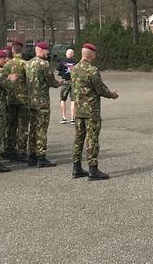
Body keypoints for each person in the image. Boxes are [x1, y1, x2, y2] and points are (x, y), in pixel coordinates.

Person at [71, 43, 120, 180]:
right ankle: (93, 170)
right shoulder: (92, 70)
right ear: (91, 54)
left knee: (79, 138)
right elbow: (100, 89)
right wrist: (112, 95)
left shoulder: (74, 69)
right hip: (91, 111)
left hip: (79, 110)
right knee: (92, 140)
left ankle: (76, 167)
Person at [25, 41, 60, 166]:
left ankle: (32, 156)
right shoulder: (44, 64)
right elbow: (52, 82)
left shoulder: (28, 64)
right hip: (42, 102)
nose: (48, 52)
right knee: (41, 129)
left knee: (33, 129)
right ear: (40, 50)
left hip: (31, 101)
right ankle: (41, 156)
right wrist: (60, 83)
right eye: (46, 50)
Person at [57, 48, 77, 124]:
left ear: (66, 54)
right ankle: (72, 118)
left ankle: (64, 117)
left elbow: (58, 69)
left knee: (63, 99)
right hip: (74, 82)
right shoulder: (76, 62)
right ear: (73, 54)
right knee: (73, 100)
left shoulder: (62, 62)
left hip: (65, 82)